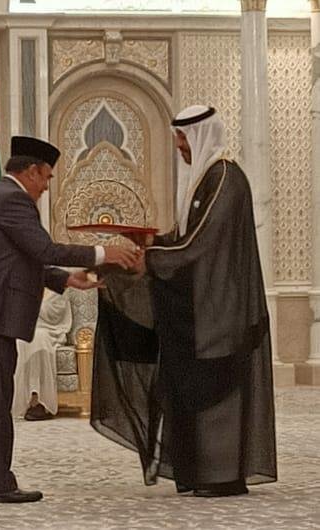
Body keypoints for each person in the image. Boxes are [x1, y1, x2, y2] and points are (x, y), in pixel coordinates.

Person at [90, 105, 277, 498]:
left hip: (219, 312)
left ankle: (221, 477)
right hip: (199, 310)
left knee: (217, 394)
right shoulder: (206, 178)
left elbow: (200, 242)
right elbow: (184, 238)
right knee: (191, 391)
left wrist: (149, 259)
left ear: (199, 135)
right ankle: (197, 473)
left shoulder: (225, 177)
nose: (179, 146)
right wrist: (150, 242)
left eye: (182, 137)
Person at [0, 135, 142, 504]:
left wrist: (65, 280)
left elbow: (17, 256)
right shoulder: (13, 199)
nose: (47, 186)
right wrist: (105, 253)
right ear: (32, 171)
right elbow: (44, 249)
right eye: (48, 177)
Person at [12, 289, 71, 421]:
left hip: (50, 330)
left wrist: (31, 305)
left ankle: (39, 400)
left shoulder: (57, 287)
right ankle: (25, 400)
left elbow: (55, 313)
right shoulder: (26, 284)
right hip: (25, 329)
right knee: (22, 340)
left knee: (38, 338)